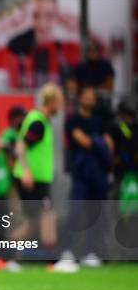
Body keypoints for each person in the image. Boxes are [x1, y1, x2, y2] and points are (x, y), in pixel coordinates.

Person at [61, 86, 113, 269]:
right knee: (75, 214)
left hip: (98, 175)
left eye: (92, 97)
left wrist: (97, 142)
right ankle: (67, 251)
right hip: (81, 174)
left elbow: (109, 146)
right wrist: (99, 142)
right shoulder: (73, 120)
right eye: (87, 97)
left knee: (96, 215)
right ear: (80, 99)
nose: (90, 100)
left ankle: (91, 252)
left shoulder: (99, 121)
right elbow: (84, 141)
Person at [12, 83, 63, 269]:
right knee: (48, 216)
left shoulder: (40, 119)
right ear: (51, 101)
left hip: (37, 178)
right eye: (59, 101)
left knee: (33, 221)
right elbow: (20, 146)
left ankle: (5, 256)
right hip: (32, 179)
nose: (61, 105)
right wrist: (26, 171)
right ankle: (53, 262)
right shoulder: (38, 122)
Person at [0, 106, 26, 272]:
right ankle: (8, 257)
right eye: (21, 117)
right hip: (10, 184)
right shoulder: (10, 136)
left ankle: (10, 256)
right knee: (13, 220)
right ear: (14, 119)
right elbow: (10, 161)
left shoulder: (13, 136)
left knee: (14, 220)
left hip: (10, 184)